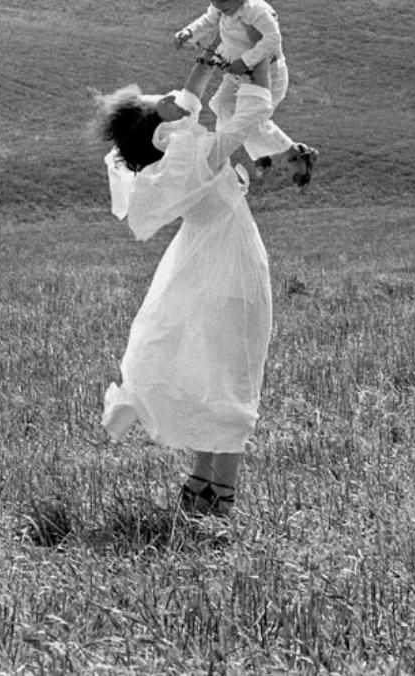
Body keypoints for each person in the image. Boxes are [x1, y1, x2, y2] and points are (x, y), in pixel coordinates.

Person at [96, 52, 274, 517]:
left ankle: (200, 484)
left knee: (212, 369)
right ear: (161, 125)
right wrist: (257, 71)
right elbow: (251, 115)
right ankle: (223, 494)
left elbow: (188, 100)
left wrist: (210, 54)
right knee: (233, 373)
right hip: (232, 265)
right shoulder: (197, 156)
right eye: (161, 103)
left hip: (199, 262)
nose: (172, 98)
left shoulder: (166, 161)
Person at [174, 0, 317, 186]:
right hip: (237, 72)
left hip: (267, 75)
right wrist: (189, 32)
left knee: (248, 119)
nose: (216, 6)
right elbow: (210, 20)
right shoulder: (224, 6)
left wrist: (246, 60)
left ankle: (286, 153)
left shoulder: (256, 11)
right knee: (221, 105)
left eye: (220, 1)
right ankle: (268, 152)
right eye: (212, 0)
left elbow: (273, 40)